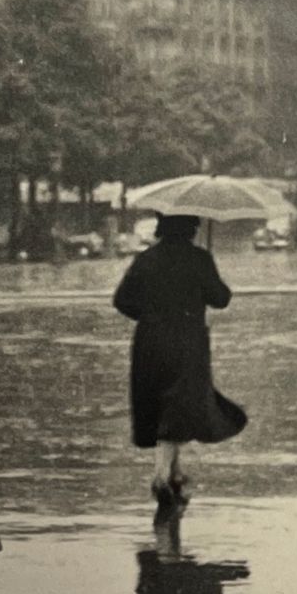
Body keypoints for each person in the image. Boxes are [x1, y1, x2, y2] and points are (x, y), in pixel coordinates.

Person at [112, 213, 247, 514]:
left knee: (160, 405)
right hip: (187, 342)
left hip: (149, 342)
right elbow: (221, 298)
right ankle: (161, 476)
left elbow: (121, 300)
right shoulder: (199, 258)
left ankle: (174, 474)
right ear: (192, 228)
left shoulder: (146, 258)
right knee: (179, 406)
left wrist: (150, 318)